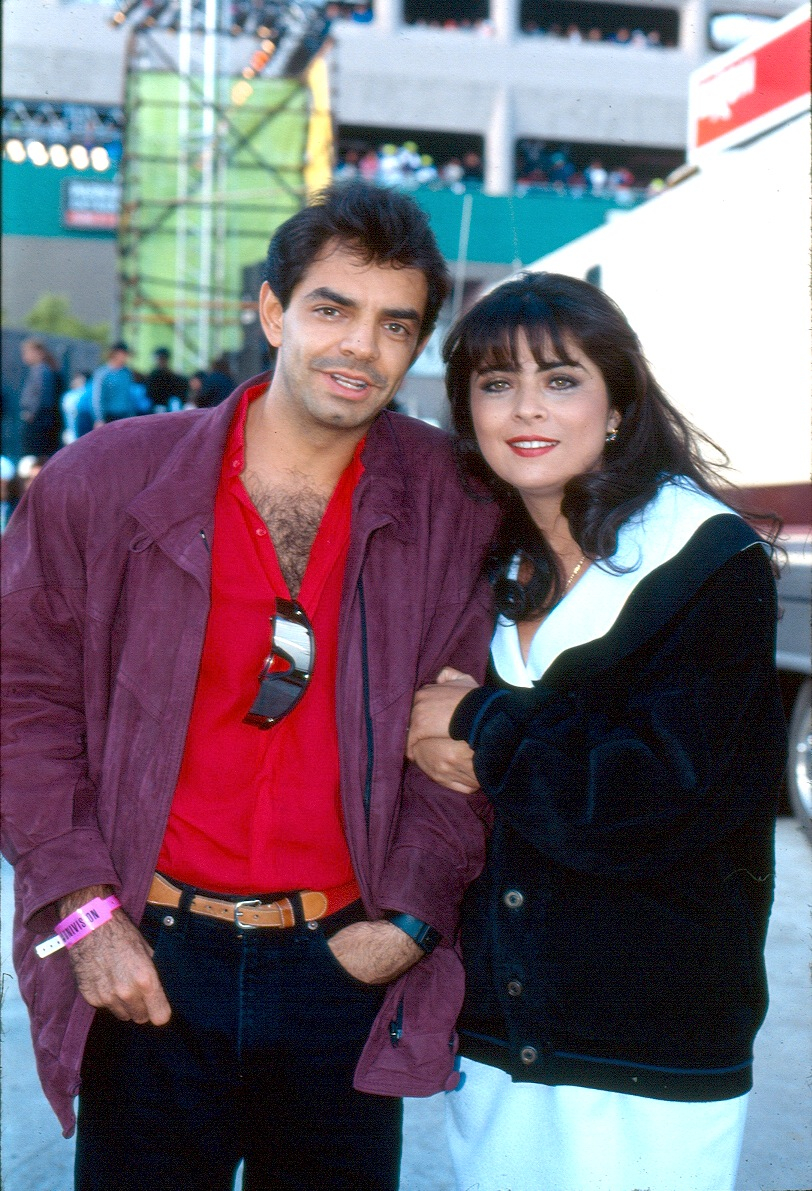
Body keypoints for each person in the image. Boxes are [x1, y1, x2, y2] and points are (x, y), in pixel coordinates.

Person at [1, 182, 498, 1191]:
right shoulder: (111, 480)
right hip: (146, 959)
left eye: (393, 324)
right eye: (331, 308)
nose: (359, 347)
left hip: (344, 964)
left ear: (417, 347)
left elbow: (469, 749)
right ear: (271, 311)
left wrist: (405, 921)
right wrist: (86, 915)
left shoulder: (453, 505)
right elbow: (22, 700)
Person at [406, 272, 786, 1191]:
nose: (526, 408)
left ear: (617, 402)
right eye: (496, 383)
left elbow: (644, 800)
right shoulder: (480, 566)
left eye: (561, 379)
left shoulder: (705, 559)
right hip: (502, 1038)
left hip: (649, 1049)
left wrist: (478, 720)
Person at [18, 337, 63, 456]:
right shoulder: (41, 369)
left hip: (40, 424)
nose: (24, 356)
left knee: (36, 458)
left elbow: (43, 397)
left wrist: (32, 413)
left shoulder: (42, 371)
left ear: (37, 352)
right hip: (41, 422)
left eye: (27, 352)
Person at [90, 341, 139, 423]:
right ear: (115, 354)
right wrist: (99, 419)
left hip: (125, 416)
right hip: (109, 417)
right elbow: (97, 398)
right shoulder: (102, 373)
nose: (126, 357)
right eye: (123, 354)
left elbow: (128, 396)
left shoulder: (126, 373)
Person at [145, 346, 188, 412]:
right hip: (157, 407)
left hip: (169, 407)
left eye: (162, 359)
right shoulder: (153, 376)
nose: (160, 361)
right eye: (159, 359)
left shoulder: (174, 377)